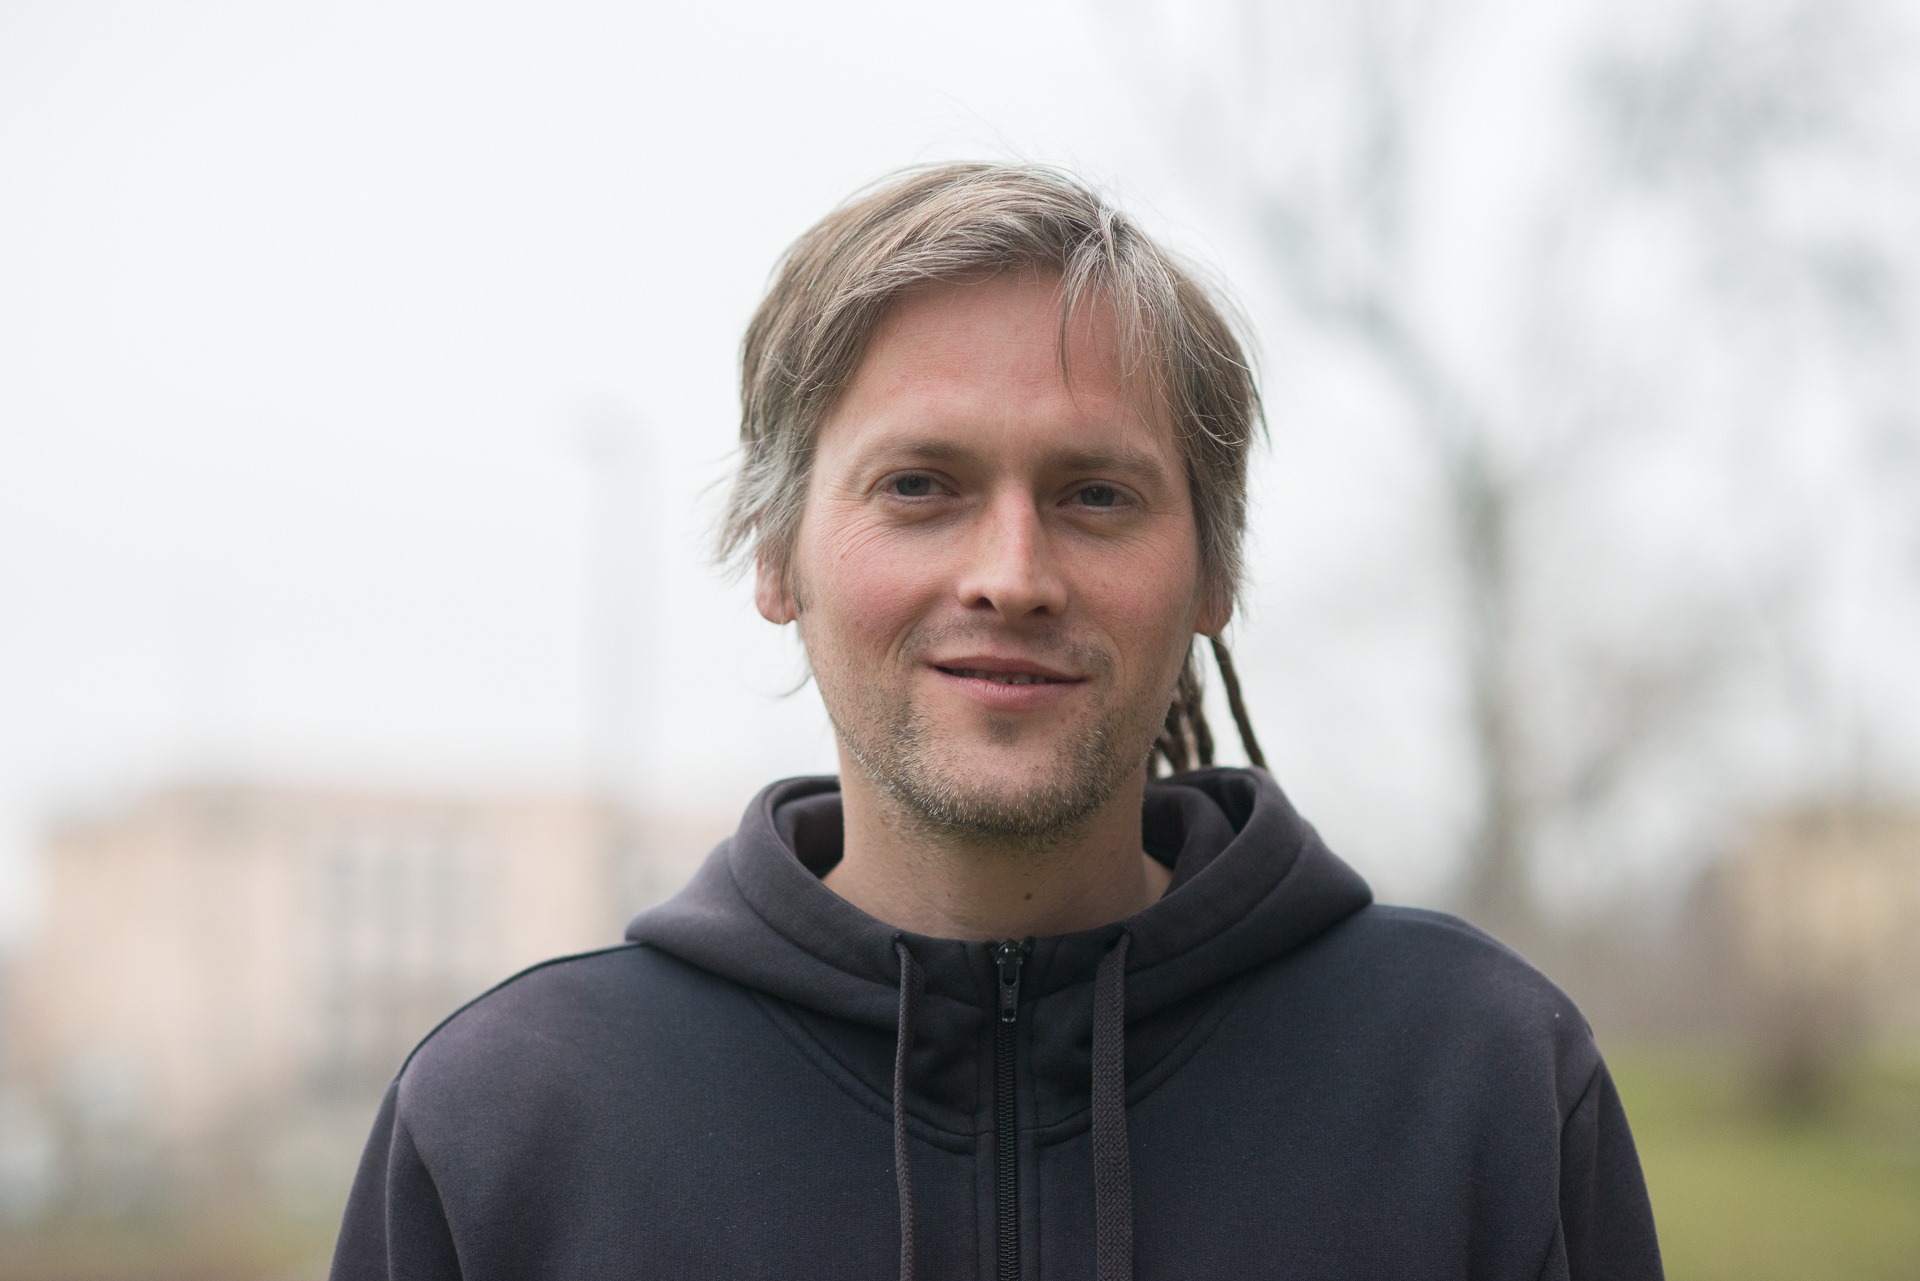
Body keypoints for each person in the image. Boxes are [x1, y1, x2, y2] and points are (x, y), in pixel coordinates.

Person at [330, 164, 1663, 1281]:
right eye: (920, 485)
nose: (1011, 575)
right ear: (777, 554)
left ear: (1214, 572)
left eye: (1095, 495)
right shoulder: (510, 1126)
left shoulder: (1480, 1084)